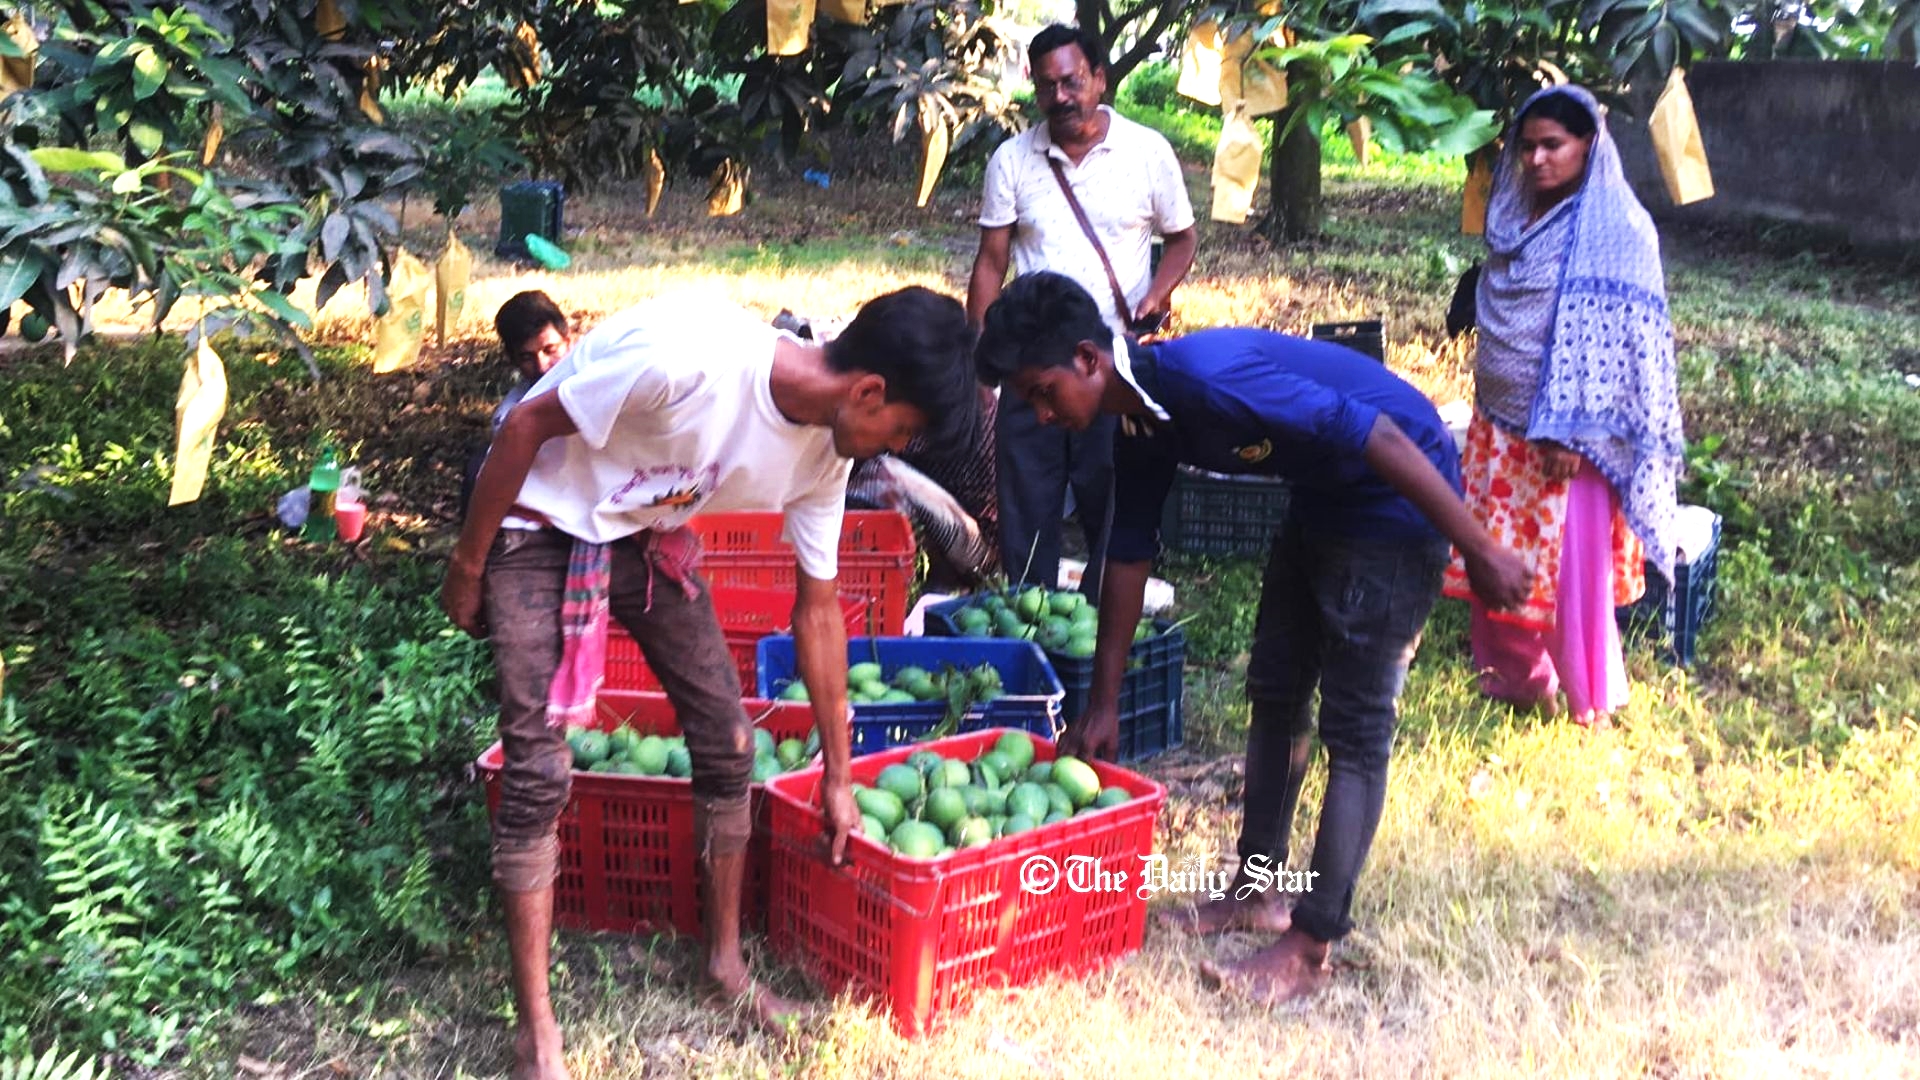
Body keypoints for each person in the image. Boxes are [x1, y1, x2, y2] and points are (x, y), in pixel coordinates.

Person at [441, 287, 979, 1078]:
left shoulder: (825, 457)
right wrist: (468, 565)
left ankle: (724, 969)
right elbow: (523, 424)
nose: (889, 448)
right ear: (869, 392)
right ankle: (538, 1036)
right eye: (900, 431)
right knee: (536, 773)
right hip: (536, 524)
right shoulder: (687, 361)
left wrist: (838, 775)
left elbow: (819, 611)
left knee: (731, 748)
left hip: (642, 532)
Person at [973, 271, 1533, 1007]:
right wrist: (1103, 703)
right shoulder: (1135, 417)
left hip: (1396, 494)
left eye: (1043, 393)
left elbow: (1382, 435)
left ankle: (1310, 944)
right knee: (1275, 689)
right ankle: (1257, 889)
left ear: (1087, 358)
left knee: (1356, 728)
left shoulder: (1204, 380)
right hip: (1325, 498)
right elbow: (1129, 552)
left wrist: (1479, 547)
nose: (1043, 416)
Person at [1440, 85, 1685, 730]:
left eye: (1554, 145)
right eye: (1528, 147)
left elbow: (1621, 345)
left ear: (1589, 146)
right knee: (1497, 557)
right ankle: (1516, 683)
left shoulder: (1619, 230)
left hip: (1572, 437)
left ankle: (1589, 703)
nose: (1537, 160)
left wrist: (1573, 432)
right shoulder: (1512, 219)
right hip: (1500, 428)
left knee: (1571, 577)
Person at [966, 22, 1197, 601]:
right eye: (1047, 86)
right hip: (1031, 369)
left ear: (1099, 78)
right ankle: (1031, 614)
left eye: (1071, 81)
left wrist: (1157, 293)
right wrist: (983, 366)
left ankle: (1101, 618)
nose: (1060, 96)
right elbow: (991, 262)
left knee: (1113, 501)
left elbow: (1183, 239)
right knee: (1026, 507)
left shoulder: (1148, 152)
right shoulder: (1012, 160)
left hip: (1111, 365)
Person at [461, 292, 576, 521]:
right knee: (479, 467)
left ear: (570, 341)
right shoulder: (511, 417)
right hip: (557, 500)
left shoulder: (600, 371)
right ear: (513, 360)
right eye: (527, 357)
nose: (542, 366)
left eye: (550, 350)